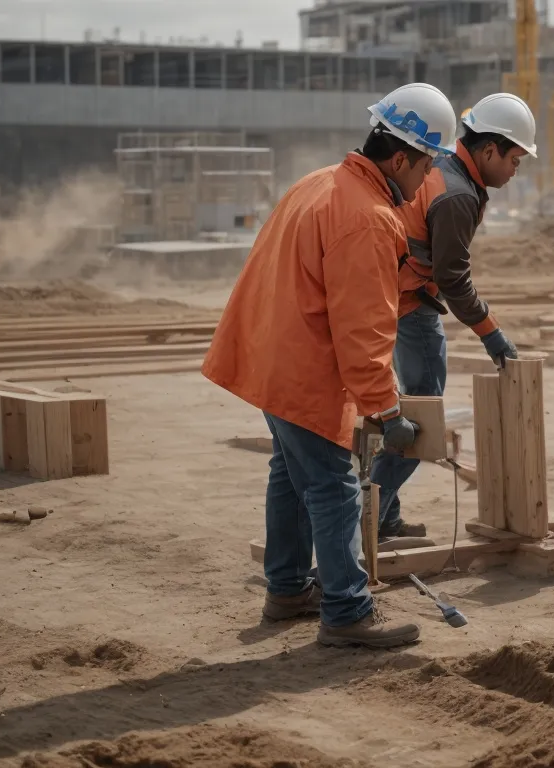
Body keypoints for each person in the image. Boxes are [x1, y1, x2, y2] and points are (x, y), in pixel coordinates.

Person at [202, 82, 459, 649]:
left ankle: (289, 588)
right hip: (302, 367)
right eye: (427, 167)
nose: (427, 183)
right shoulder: (367, 215)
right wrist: (386, 409)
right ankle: (346, 611)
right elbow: (363, 329)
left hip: (270, 355)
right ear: (400, 158)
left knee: (290, 477)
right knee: (335, 486)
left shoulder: (318, 184)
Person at [370, 92, 538, 540]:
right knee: (422, 414)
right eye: (515, 160)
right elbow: (453, 280)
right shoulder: (458, 195)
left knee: (408, 408)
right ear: (488, 151)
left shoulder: (446, 172)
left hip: (397, 295)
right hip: (409, 303)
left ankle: (381, 513)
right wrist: (492, 334)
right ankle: (370, 513)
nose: (516, 170)